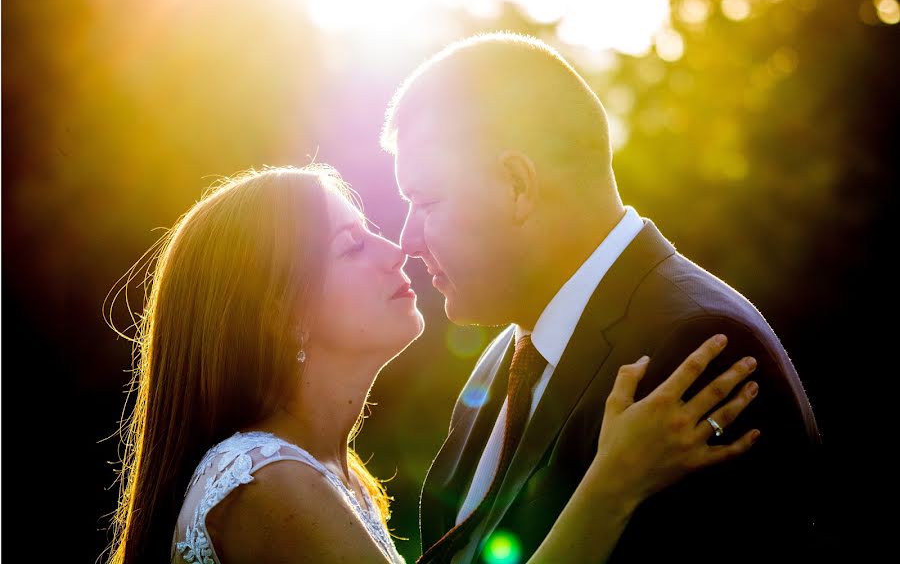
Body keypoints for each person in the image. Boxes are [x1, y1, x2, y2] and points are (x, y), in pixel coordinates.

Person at [104, 165, 761, 564]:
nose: (397, 250)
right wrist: (616, 482)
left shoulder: (337, 476)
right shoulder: (268, 484)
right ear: (281, 311)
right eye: (351, 245)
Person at [380, 32, 822, 563]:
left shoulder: (694, 351)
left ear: (517, 185)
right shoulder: (502, 358)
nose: (405, 239)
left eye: (425, 201)